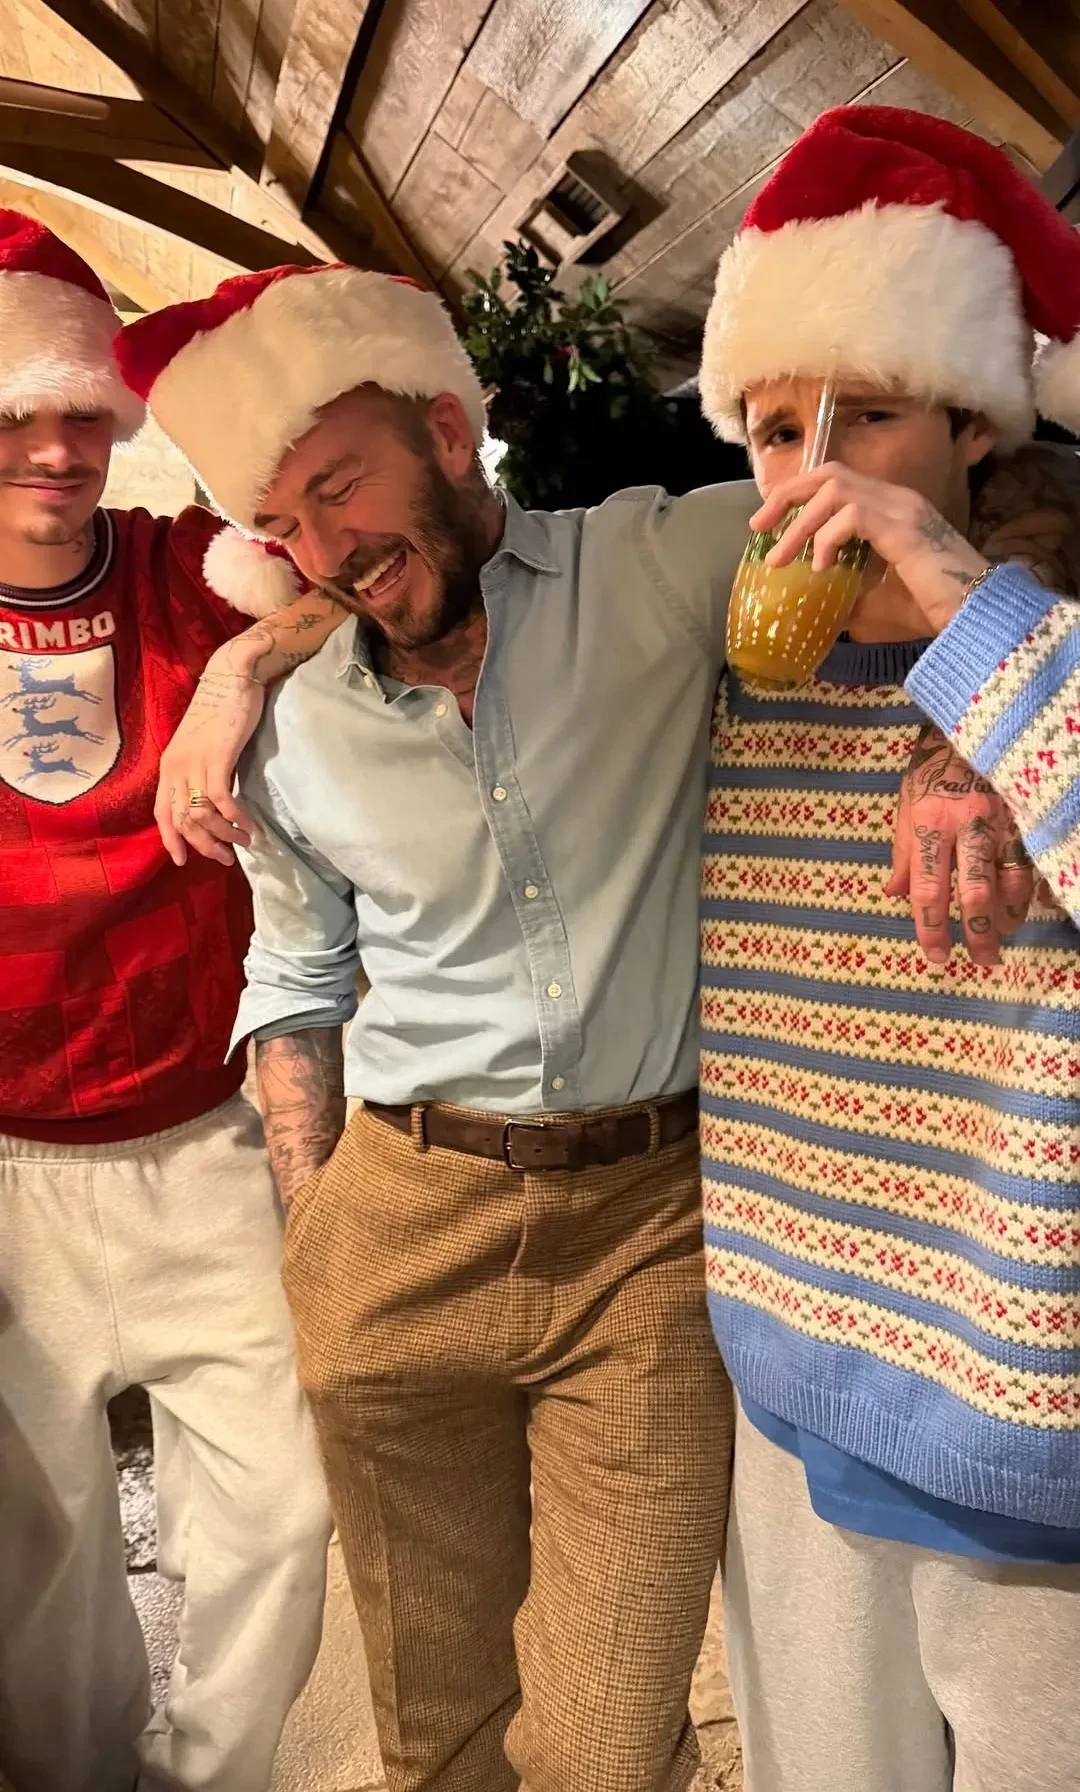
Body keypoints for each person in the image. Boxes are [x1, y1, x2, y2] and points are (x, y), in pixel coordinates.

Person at [115, 248, 1059, 1791]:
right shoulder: (290, 715)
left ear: (445, 429)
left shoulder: (661, 564)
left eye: (341, 487)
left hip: (649, 1228)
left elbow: (970, 497)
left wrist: (957, 750)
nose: (325, 552)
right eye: (278, 527)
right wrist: (315, 1233)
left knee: (609, 1733)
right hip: (396, 1214)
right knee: (434, 1722)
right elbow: (294, 976)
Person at [695, 105, 1080, 1790]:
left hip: (1024, 1428)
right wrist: (252, 660)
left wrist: (962, 602)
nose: (815, 471)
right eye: (778, 429)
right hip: (793, 1383)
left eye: (872, 415)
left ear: (975, 426)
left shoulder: (1047, 647)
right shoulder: (726, 682)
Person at [0, 211, 336, 1792]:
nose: (57, 452)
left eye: (81, 412)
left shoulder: (183, 569)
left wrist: (238, 668)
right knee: (33, 1551)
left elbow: (359, 583)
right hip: (11, 1166)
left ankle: (215, 1774)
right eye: (18, 415)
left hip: (203, 1136)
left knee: (284, 1506)